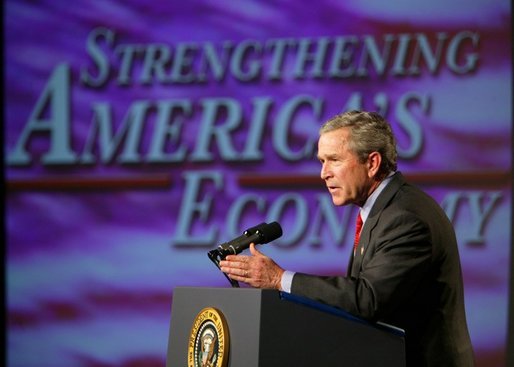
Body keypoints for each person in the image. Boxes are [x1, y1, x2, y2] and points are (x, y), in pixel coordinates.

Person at [220, 110, 475, 366]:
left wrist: (278, 279)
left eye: (334, 160)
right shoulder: (383, 210)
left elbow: (368, 300)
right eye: (322, 161)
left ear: (372, 163)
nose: (324, 173)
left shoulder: (405, 218)